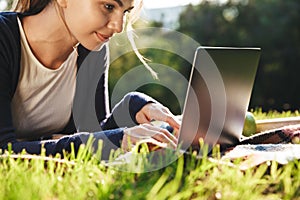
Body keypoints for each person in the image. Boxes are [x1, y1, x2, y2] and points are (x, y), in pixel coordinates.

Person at [0, 0, 180, 160]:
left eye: (125, 12)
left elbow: (92, 137)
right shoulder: (3, 38)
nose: (118, 27)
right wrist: (117, 139)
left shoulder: (93, 48)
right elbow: (4, 152)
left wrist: (133, 107)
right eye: (109, 6)